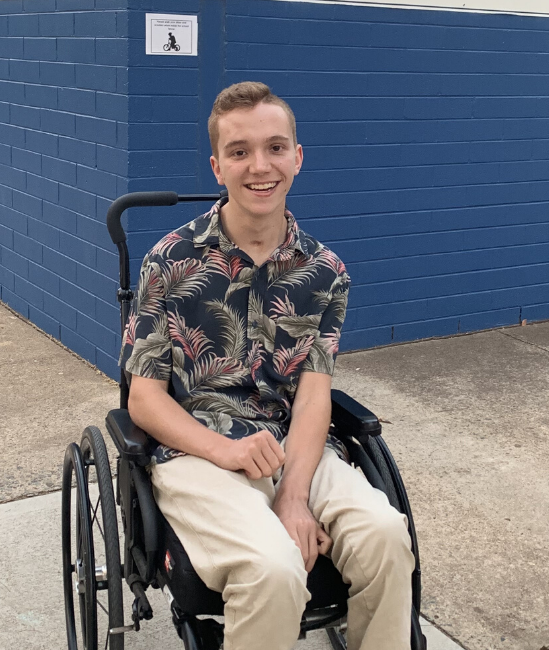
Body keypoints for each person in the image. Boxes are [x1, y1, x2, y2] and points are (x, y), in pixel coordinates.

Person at [120, 81, 414, 650]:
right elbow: (144, 400)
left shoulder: (325, 273)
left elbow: (313, 394)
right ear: (217, 167)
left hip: (292, 444)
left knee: (384, 534)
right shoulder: (169, 263)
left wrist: (294, 493)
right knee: (273, 566)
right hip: (198, 452)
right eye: (240, 151)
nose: (260, 166)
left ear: (297, 158)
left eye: (276, 147)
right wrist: (228, 451)